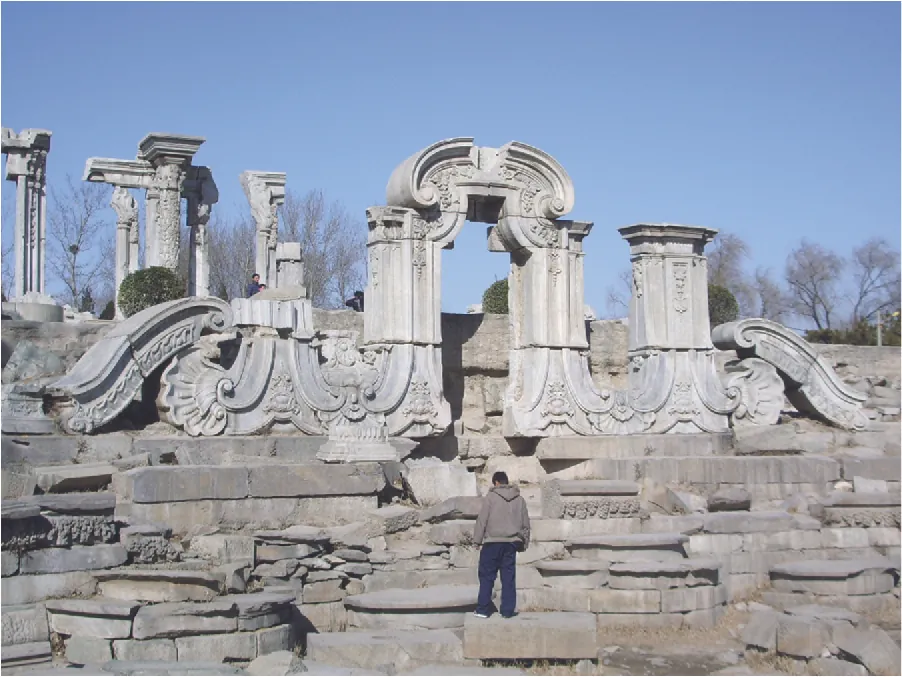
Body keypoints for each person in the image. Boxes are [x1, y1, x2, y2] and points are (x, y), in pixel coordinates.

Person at [472, 471, 530, 619]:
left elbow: (482, 520)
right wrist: (524, 543)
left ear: (496, 482)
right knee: (508, 577)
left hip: (492, 542)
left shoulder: (491, 497)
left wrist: (477, 540)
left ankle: (483, 609)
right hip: (511, 543)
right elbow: (526, 524)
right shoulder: (520, 499)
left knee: (487, 576)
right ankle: (507, 611)